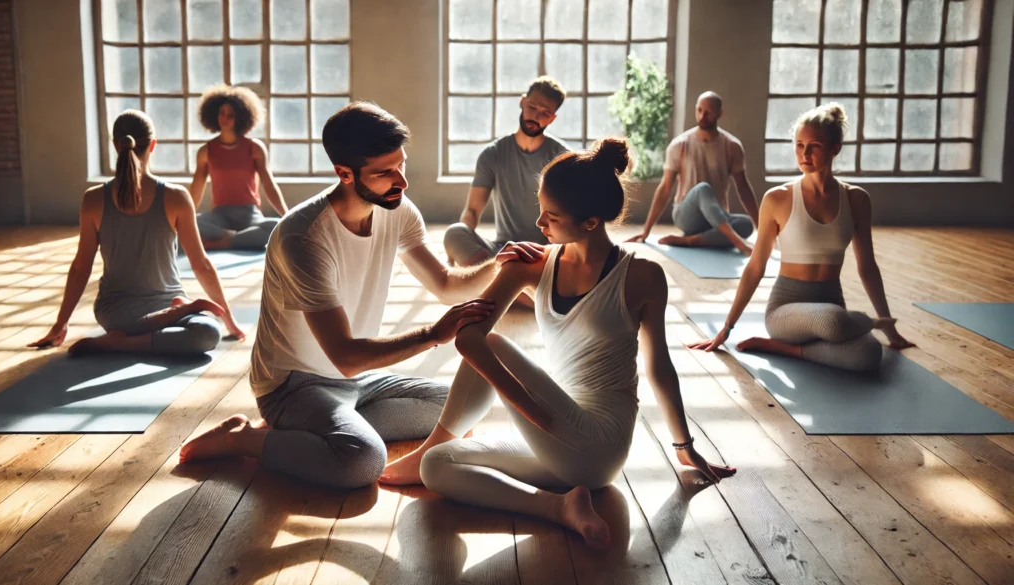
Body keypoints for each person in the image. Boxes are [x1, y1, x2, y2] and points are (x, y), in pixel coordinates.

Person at [379, 138, 735, 549]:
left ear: (590, 221)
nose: (539, 225)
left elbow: (658, 368)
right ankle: (558, 508)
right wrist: (531, 410)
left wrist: (684, 447)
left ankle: (439, 441)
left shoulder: (642, 276)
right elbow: (466, 334)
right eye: (540, 209)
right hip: (553, 434)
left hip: (600, 446)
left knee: (493, 344)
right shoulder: (533, 262)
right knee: (436, 466)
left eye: (551, 216)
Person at [178, 102, 544, 489]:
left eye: (400, 165)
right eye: (384, 172)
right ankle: (246, 438)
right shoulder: (303, 237)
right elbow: (346, 356)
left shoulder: (397, 210)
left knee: (464, 407)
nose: (400, 181)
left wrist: (498, 264)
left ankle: (318, 432)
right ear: (344, 174)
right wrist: (433, 335)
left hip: (360, 381)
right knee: (362, 461)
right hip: (294, 385)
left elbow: (446, 285)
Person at [688, 103, 914, 371]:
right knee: (834, 322)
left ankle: (792, 351)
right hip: (787, 312)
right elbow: (756, 267)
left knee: (869, 354)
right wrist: (726, 328)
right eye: (799, 145)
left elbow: (867, 268)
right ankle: (871, 323)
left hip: (832, 304)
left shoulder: (856, 200)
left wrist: (891, 336)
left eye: (814, 145)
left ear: (835, 148)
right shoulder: (778, 199)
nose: (804, 153)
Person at [29, 110, 245, 355]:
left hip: (116, 316)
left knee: (207, 331)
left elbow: (81, 267)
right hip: (150, 304)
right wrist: (229, 320)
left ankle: (120, 343)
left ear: (115, 145)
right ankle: (172, 315)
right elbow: (201, 264)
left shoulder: (93, 199)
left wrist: (60, 324)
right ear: (153, 145)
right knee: (208, 333)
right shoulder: (176, 197)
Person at [444, 76, 569, 267]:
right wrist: (460, 248)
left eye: (545, 113)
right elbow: (472, 210)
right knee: (455, 233)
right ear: (522, 102)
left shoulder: (562, 157)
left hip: (546, 253)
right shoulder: (492, 154)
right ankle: (510, 285)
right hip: (504, 251)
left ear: (552, 118)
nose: (535, 116)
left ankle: (504, 286)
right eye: (532, 107)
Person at [627, 91, 759, 256]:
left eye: (708, 112)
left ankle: (689, 241)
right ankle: (738, 243)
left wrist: (761, 228)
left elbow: (743, 187)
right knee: (703, 189)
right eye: (699, 110)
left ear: (720, 113)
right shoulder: (680, 145)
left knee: (746, 225)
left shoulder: (732, 146)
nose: (702, 116)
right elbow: (665, 188)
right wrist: (646, 230)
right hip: (687, 215)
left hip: (717, 218)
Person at [189, 84, 289, 250]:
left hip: (249, 215)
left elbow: (269, 184)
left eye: (231, 115)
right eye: (221, 113)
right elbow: (196, 189)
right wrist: (183, 218)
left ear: (241, 118)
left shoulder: (254, 148)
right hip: (219, 216)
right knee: (192, 224)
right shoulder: (206, 151)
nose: (224, 118)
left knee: (276, 227)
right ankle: (237, 238)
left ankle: (224, 242)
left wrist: (287, 216)